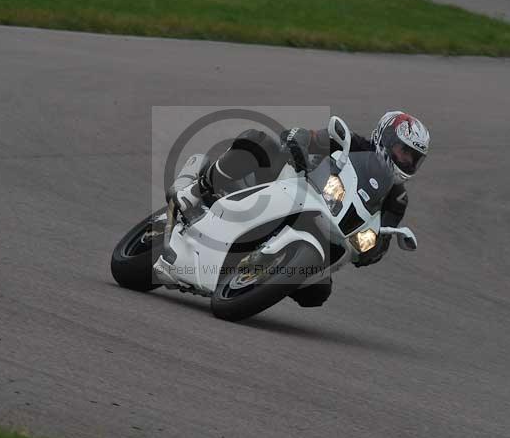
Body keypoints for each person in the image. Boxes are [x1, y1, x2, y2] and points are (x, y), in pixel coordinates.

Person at [166, 111, 430, 306]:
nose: (405, 159)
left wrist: (372, 249)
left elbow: (382, 238)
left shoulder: (397, 199)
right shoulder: (351, 142)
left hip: (328, 231)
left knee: (317, 294)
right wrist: (299, 143)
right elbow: (305, 136)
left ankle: (263, 275)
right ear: (384, 137)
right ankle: (195, 191)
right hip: (291, 185)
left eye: (412, 158)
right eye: (402, 150)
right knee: (256, 142)